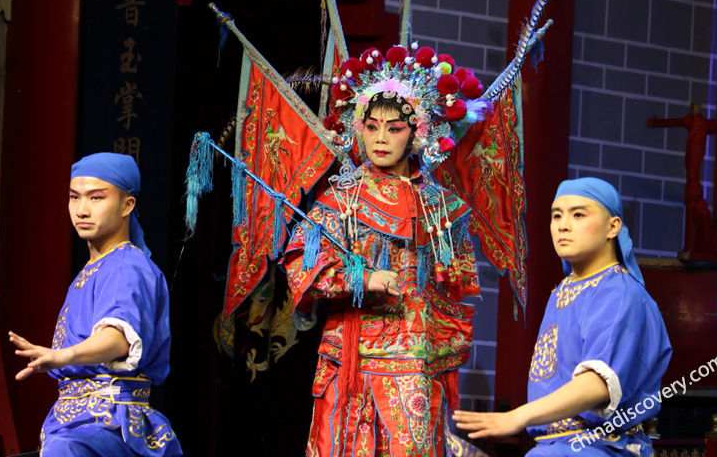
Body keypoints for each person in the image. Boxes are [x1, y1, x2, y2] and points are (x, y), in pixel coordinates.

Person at [283, 44, 489, 457]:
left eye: (394, 128)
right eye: (372, 125)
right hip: (353, 356)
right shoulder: (342, 198)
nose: (380, 138)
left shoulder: (443, 205)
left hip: (419, 360)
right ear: (358, 126)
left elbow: (453, 287)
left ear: (417, 132)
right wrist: (362, 278)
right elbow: (300, 265)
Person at [453, 177, 672, 457]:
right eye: (557, 215)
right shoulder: (563, 290)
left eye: (578, 214)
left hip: (598, 446)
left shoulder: (618, 291)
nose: (563, 225)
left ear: (613, 227)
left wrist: (518, 417)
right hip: (556, 446)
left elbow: (598, 383)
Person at [9, 152, 182, 457]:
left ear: (128, 205)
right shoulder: (97, 267)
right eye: (74, 198)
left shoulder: (125, 266)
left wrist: (64, 356)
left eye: (96, 198)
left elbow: (118, 338)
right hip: (79, 423)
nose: (82, 210)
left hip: (110, 425)